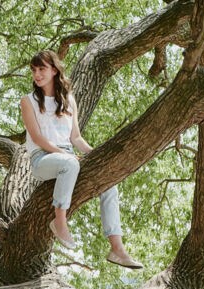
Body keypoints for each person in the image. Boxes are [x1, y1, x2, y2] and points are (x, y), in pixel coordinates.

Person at [20, 50, 142, 269]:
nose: (37, 74)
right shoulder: (28, 101)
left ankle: (116, 248)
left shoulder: (69, 100)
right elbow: (37, 137)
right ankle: (59, 220)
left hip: (68, 158)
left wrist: (97, 157)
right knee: (70, 163)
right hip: (43, 159)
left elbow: (75, 137)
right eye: (34, 70)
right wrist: (65, 155)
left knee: (109, 181)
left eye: (42, 69)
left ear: (54, 70)